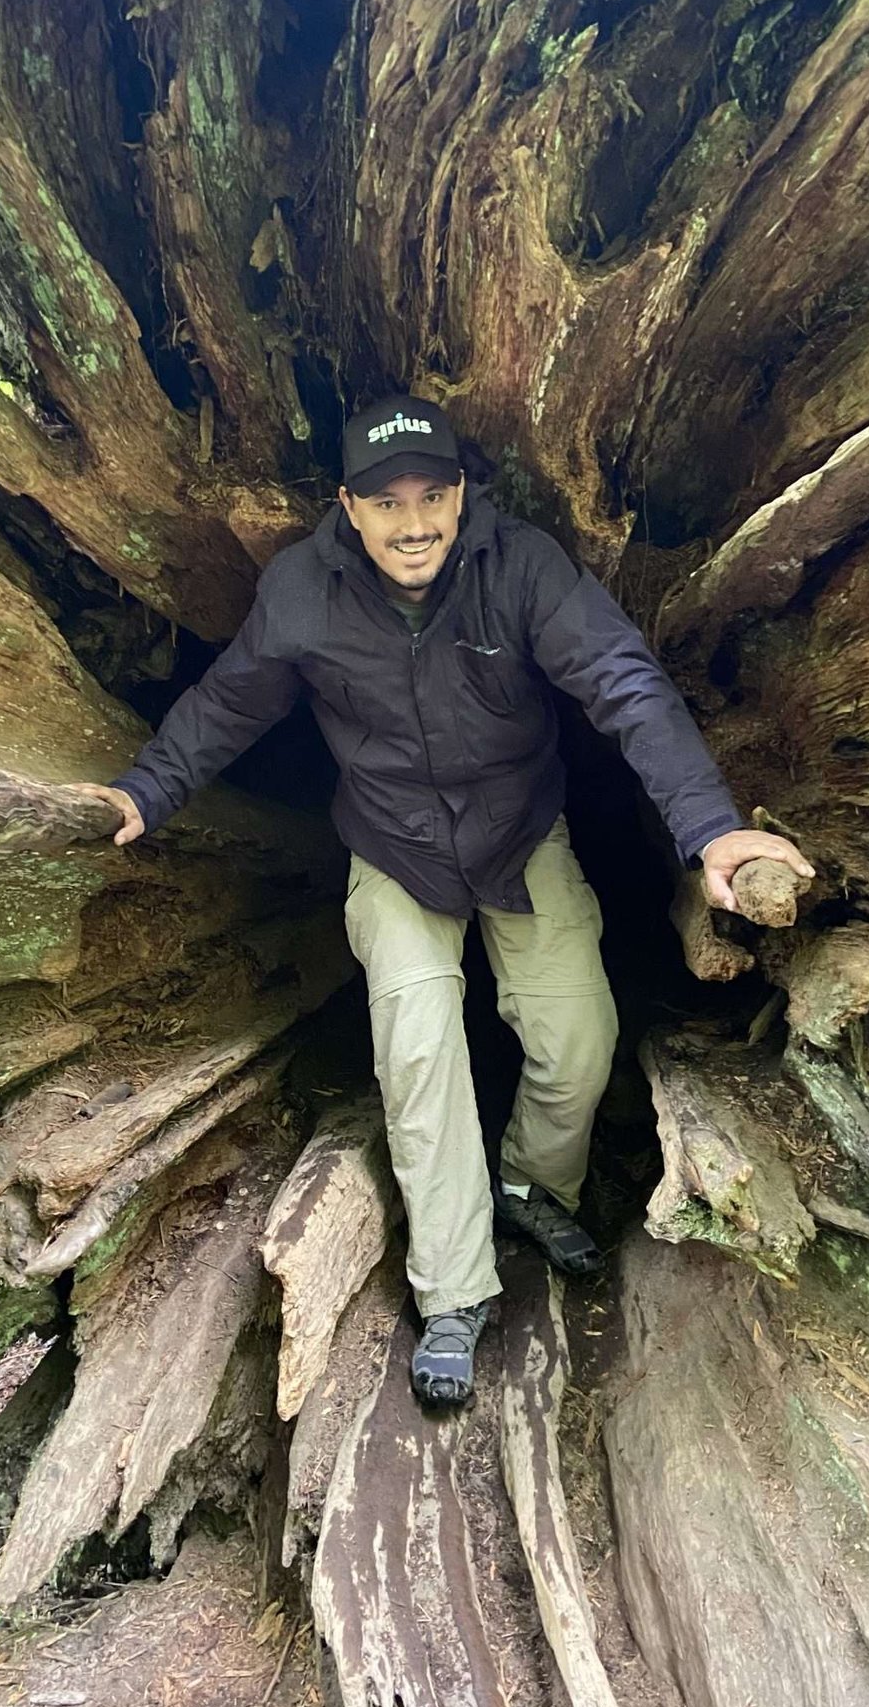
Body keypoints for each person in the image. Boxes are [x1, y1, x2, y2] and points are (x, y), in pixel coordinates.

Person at [79, 393, 814, 1406]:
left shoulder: (521, 568)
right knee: (420, 1049)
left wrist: (709, 828)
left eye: (432, 495)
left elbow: (623, 680)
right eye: (387, 503)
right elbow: (228, 702)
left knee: (578, 1040)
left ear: (463, 494)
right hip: (394, 845)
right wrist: (143, 792)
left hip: (520, 831)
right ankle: (454, 1290)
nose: (413, 522)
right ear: (348, 508)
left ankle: (529, 1184)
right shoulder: (304, 590)